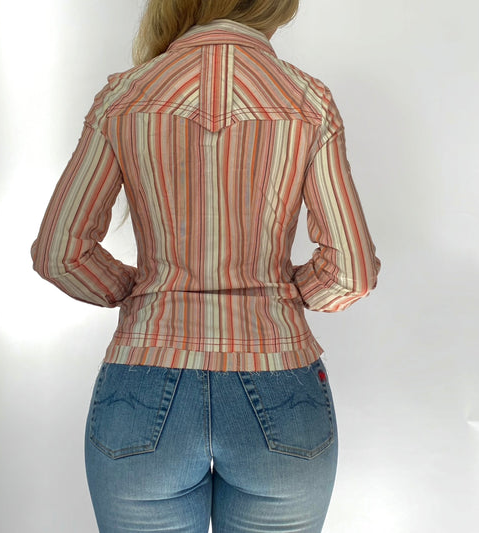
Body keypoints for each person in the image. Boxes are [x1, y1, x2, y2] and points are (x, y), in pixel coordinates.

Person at [31, 1, 381, 531]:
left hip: (144, 383)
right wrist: (291, 292)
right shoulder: (309, 101)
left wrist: (136, 291)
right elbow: (351, 271)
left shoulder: (123, 98)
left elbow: (60, 253)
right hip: (280, 381)